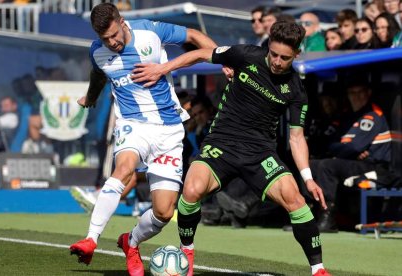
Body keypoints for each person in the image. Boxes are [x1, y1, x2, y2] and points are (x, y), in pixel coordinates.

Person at [132, 21, 331, 276]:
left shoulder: (296, 90)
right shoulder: (247, 55)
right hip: (221, 143)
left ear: (296, 55)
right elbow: (202, 53)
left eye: (285, 58)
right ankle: (187, 253)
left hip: (259, 153)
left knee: (297, 200)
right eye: (274, 54)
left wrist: (309, 178)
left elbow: (296, 137)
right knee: (191, 190)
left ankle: (318, 269)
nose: (277, 62)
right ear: (268, 46)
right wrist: (162, 68)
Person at [69, 3, 218, 276]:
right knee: (124, 169)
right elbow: (98, 74)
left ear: (122, 21)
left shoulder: (149, 32)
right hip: (132, 125)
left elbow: (194, 36)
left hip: (169, 129)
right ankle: (91, 238)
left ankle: (131, 242)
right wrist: (90, 98)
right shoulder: (97, 51)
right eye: (105, 39)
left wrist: (224, 60)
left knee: (163, 212)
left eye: (114, 35)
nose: (112, 42)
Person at [310, 79, 391, 233]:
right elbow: (331, 143)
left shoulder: (372, 114)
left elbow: (354, 147)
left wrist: (346, 150)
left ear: (368, 93)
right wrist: (345, 150)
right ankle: (307, 213)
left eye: (360, 92)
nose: (356, 96)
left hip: (374, 167)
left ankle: (328, 218)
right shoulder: (349, 116)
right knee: (310, 164)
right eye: (352, 93)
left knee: (327, 166)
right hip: (353, 162)